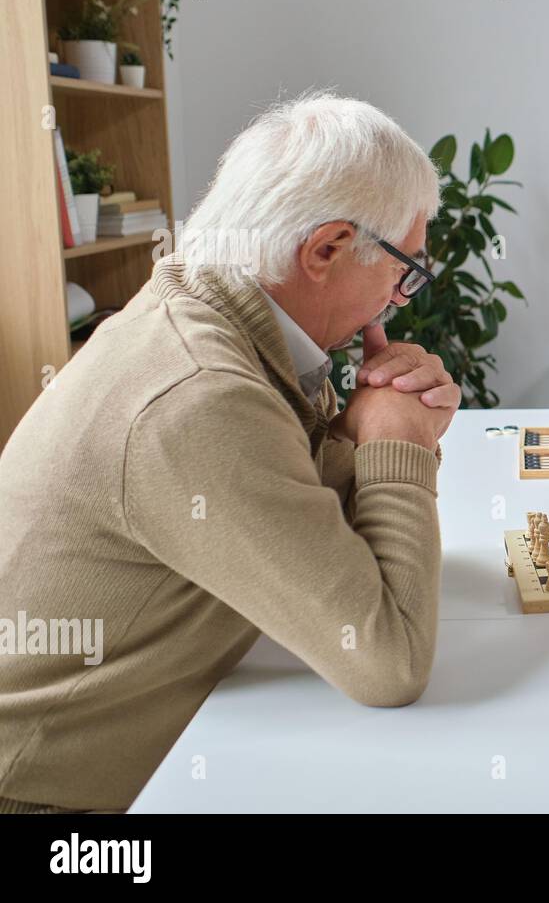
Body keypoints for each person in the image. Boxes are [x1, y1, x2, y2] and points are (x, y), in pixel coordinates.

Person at [0, 93, 458, 812]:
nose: (400, 302)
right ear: (327, 249)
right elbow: (389, 662)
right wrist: (397, 437)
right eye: (405, 271)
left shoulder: (207, 321)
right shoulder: (197, 393)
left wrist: (362, 431)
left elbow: (294, 511)